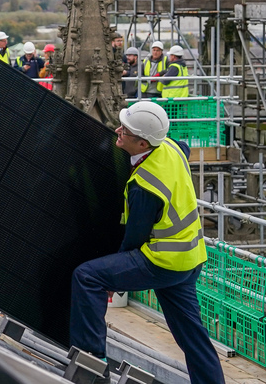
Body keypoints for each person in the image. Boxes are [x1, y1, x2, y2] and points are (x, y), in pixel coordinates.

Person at [70, 101, 223, 384]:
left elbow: (135, 238)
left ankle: (90, 364)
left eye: (125, 130)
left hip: (161, 260)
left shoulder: (145, 184)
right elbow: (182, 146)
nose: (117, 130)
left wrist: (113, 280)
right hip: (189, 258)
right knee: (193, 337)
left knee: (87, 277)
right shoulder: (172, 148)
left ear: (141, 143)